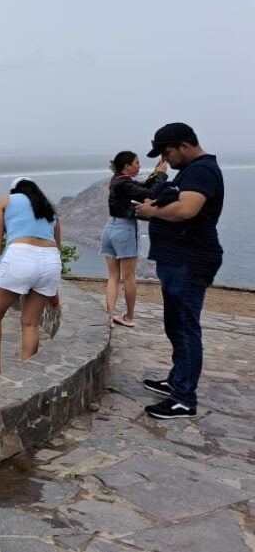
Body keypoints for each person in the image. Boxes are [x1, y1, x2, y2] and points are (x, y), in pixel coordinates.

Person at [135, 122, 224, 419]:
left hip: (190, 261)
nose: (165, 158)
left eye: (167, 151)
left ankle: (184, 399)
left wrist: (151, 212)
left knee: (185, 328)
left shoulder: (201, 171)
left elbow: (187, 209)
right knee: (176, 325)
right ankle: (176, 381)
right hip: (178, 260)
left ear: (184, 146)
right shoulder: (189, 172)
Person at [0, 177, 61, 385]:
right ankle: (27, 376)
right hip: (50, 262)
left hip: (20, 257)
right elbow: (57, 247)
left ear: (14, 191)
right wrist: (54, 292)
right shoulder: (50, 212)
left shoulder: (5, 202)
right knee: (31, 323)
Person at [100, 151, 168, 328]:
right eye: (136, 163)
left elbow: (142, 187)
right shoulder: (124, 183)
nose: (139, 165)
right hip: (124, 229)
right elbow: (150, 194)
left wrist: (155, 173)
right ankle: (129, 317)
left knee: (113, 276)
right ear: (126, 166)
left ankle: (109, 316)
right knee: (129, 277)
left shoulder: (118, 180)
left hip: (110, 228)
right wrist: (161, 175)